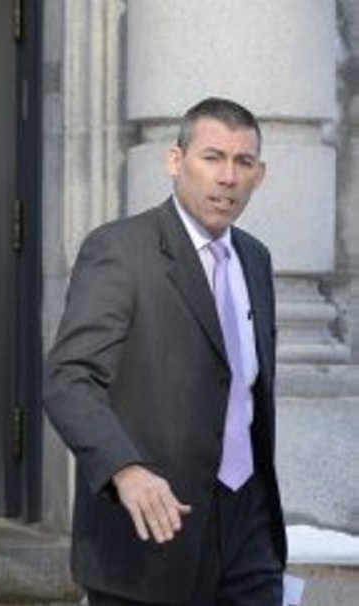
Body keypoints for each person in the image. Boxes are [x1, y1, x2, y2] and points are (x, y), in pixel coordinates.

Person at [44, 97, 287, 606]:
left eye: (243, 163)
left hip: (249, 531)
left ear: (259, 175)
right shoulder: (119, 250)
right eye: (212, 157)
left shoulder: (256, 259)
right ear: (176, 161)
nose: (227, 177)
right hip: (150, 533)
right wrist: (123, 470)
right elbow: (69, 379)